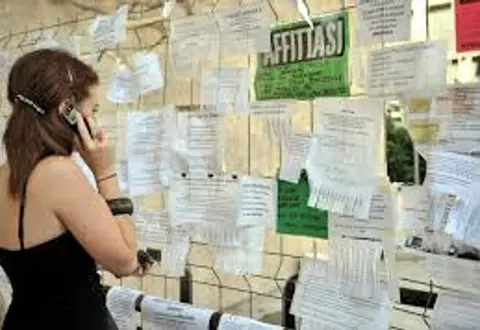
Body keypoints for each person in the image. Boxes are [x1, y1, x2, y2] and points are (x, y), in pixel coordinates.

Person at [0, 49, 150, 329]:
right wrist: (105, 174)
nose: (96, 122)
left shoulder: (5, 174)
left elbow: (46, 264)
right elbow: (125, 262)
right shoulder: (58, 174)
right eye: (93, 111)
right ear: (67, 110)